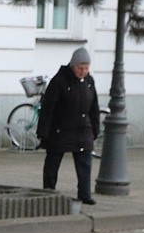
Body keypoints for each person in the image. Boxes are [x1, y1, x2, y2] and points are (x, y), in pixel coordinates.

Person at [37, 47, 100, 205]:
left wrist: (95, 128)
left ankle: (84, 194)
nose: (83, 71)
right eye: (80, 68)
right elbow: (48, 107)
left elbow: (94, 107)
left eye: (86, 68)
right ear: (73, 66)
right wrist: (43, 132)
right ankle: (48, 192)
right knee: (53, 161)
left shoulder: (89, 82)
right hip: (61, 128)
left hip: (83, 129)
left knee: (85, 162)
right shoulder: (59, 81)